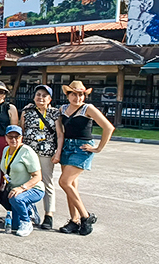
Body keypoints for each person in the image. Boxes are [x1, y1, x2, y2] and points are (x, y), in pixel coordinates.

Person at [56, 81, 114, 236]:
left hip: (82, 148)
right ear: (67, 95)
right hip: (67, 147)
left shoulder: (88, 108)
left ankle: (85, 217)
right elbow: (60, 131)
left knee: (64, 182)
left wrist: (98, 148)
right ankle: (74, 221)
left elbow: (108, 127)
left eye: (81, 94)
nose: (77, 97)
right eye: (74, 94)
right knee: (71, 186)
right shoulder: (62, 109)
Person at [20, 84, 61, 230]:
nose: (41, 98)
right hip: (29, 151)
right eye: (38, 94)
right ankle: (28, 212)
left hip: (46, 152)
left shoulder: (55, 113)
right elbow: (22, 130)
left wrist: (58, 152)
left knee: (47, 182)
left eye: (44, 96)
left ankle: (49, 215)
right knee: (27, 181)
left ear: (50, 99)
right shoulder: (27, 111)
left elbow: (60, 134)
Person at [0, 125, 45, 237]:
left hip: (32, 188)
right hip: (14, 188)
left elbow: (38, 176)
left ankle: (27, 222)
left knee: (16, 198)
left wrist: (22, 188)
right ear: (6, 137)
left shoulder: (27, 151)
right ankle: (29, 209)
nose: (13, 139)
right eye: (10, 136)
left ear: (22, 137)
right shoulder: (6, 150)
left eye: (17, 136)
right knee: (15, 226)